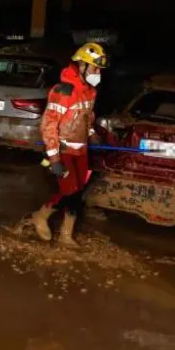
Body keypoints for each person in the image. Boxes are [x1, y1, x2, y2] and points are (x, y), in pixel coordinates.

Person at [30, 42, 108, 247]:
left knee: (77, 191)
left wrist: (91, 133)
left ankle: (66, 235)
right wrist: (54, 158)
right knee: (69, 192)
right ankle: (41, 215)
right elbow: (49, 125)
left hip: (81, 150)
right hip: (63, 149)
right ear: (81, 65)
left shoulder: (90, 91)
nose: (98, 72)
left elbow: (86, 117)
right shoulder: (63, 91)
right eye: (95, 68)